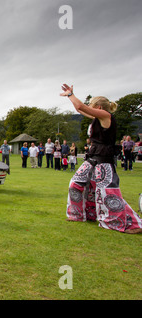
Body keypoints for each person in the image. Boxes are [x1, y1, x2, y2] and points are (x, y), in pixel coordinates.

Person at [61, 84, 142, 233]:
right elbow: (79, 108)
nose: (89, 108)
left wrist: (70, 95)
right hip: (93, 157)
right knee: (75, 184)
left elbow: (81, 107)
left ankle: (127, 223)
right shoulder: (98, 117)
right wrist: (70, 96)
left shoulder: (106, 116)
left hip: (104, 159)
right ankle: (78, 214)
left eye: (91, 106)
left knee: (107, 192)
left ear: (98, 107)